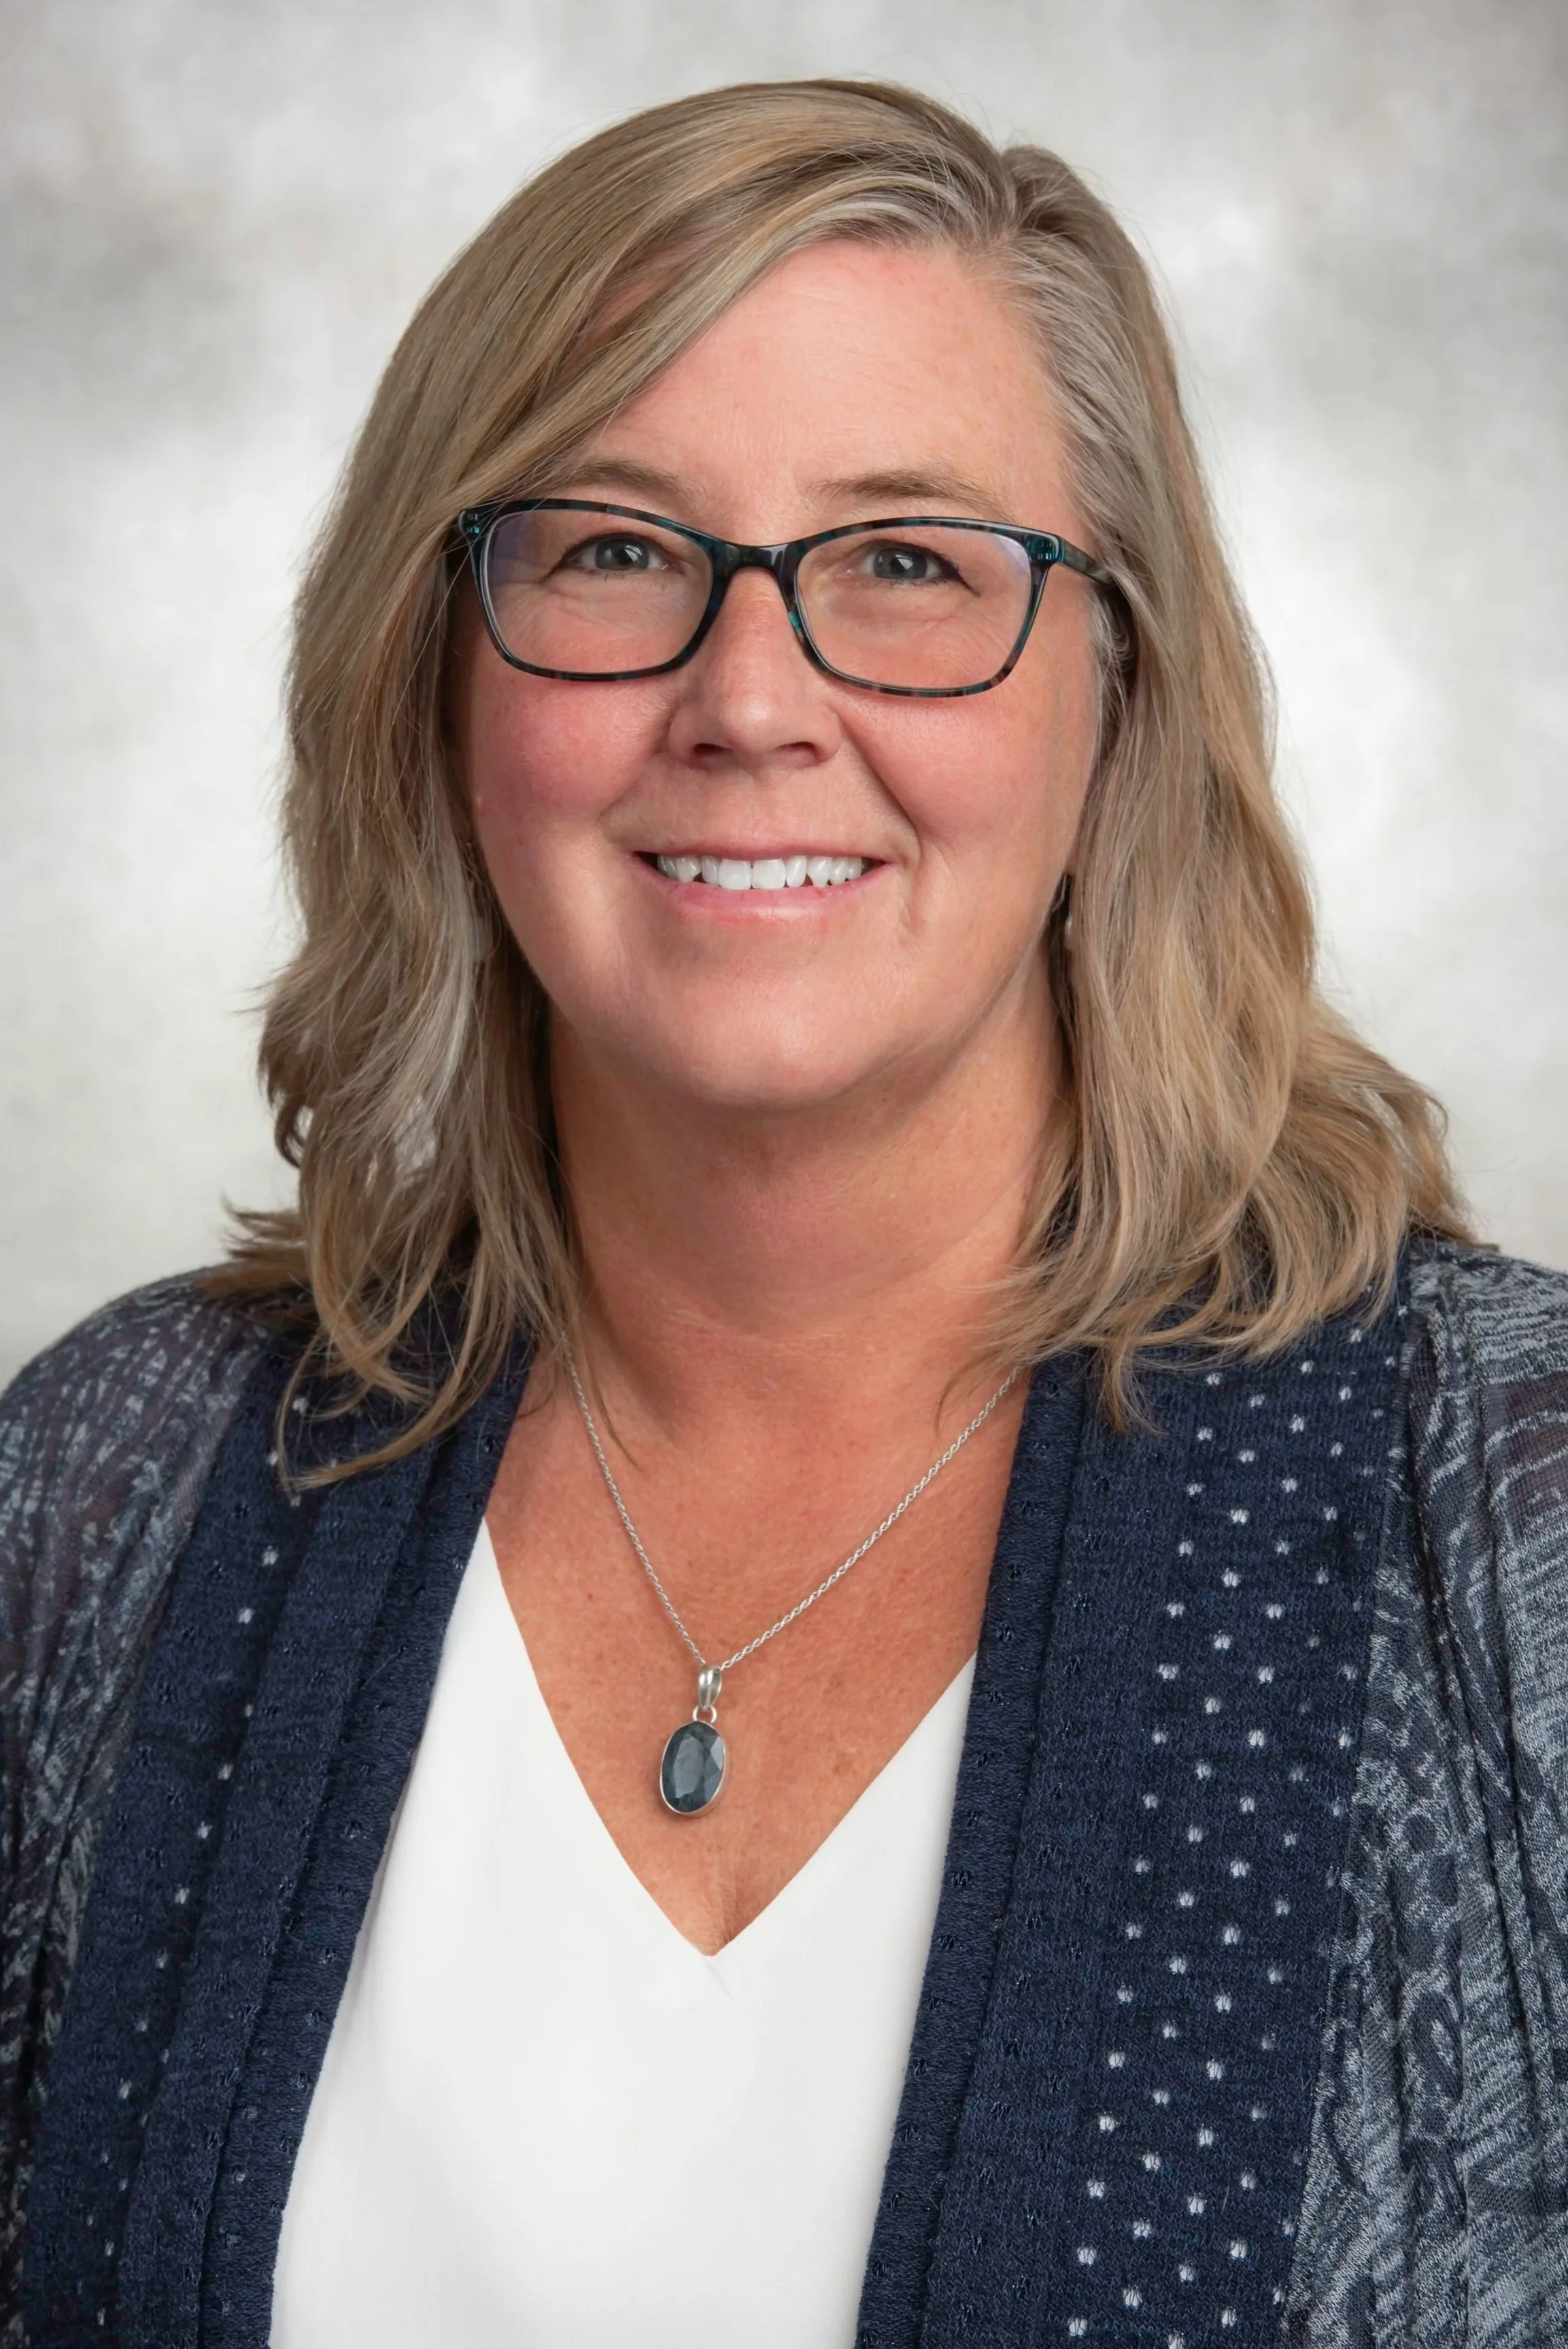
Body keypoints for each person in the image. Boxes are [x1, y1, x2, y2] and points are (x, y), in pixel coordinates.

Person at [3, 75, 1565, 2349]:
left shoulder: (1503, 1513)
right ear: (433, 676)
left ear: (1116, 690)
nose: (750, 701)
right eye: (615, 549)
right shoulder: (102, 1494)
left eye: (911, 560)